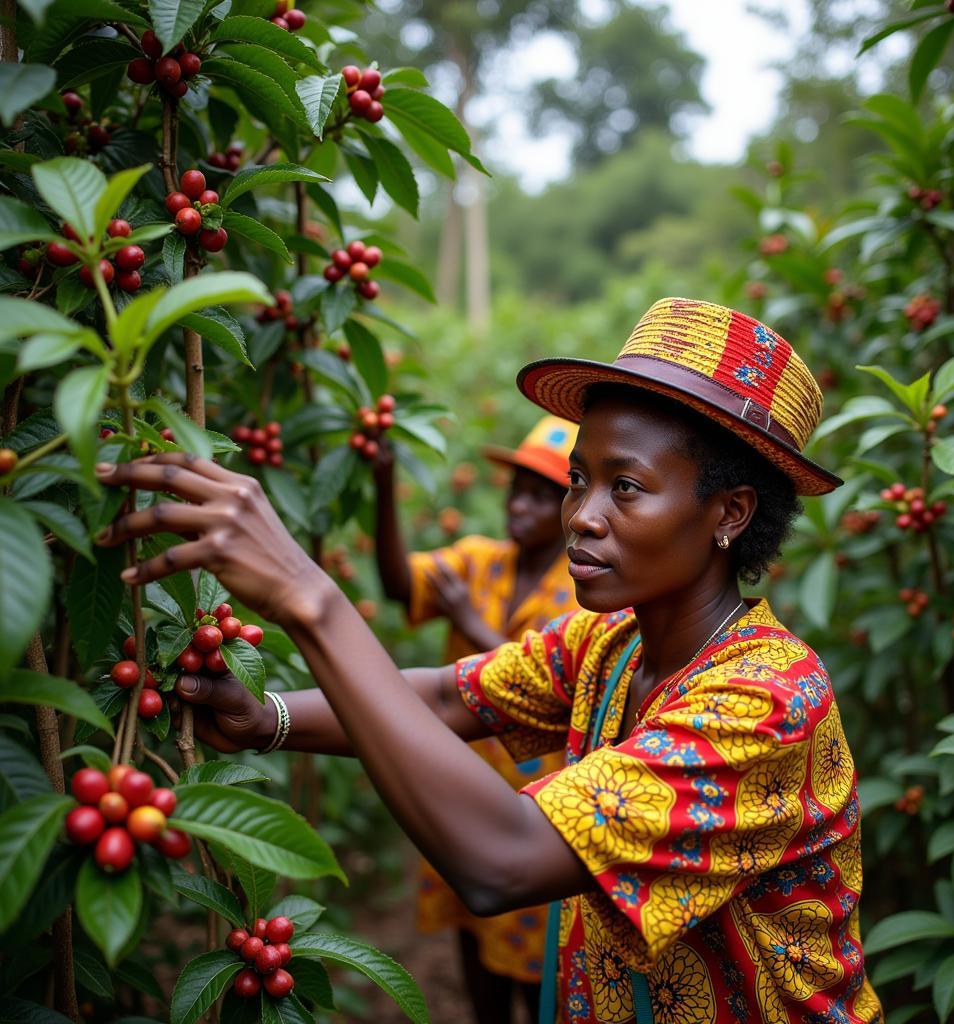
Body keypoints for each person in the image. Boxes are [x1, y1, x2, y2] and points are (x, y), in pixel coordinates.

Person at [96, 297, 881, 1023]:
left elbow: (501, 860)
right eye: (580, 481)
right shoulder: (610, 642)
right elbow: (445, 696)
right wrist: (265, 717)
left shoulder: (768, 699)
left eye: (627, 488)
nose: (583, 517)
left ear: (730, 513)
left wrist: (312, 599)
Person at [372, 415, 581, 1023]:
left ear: (573, 508)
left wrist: (470, 620)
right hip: (457, 790)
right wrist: (384, 483)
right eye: (517, 490)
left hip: (536, 814)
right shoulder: (477, 561)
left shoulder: (583, 589)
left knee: (539, 977)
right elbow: (395, 584)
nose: (521, 506)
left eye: (543, 497)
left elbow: (553, 687)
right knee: (473, 944)